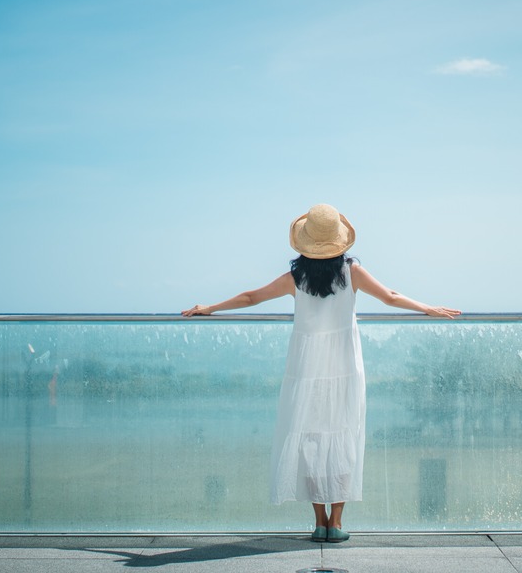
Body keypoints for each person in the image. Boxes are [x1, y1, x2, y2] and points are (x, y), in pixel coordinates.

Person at [182, 204, 460, 542]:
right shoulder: (351, 271)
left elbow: (251, 297)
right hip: (343, 363)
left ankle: (318, 521)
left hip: (306, 365)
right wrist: (427, 307)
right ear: (339, 241)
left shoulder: (296, 278)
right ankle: (337, 522)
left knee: (309, 437)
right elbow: (390, 296)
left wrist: (210, 307)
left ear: (305, 242)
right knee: (344, 434)